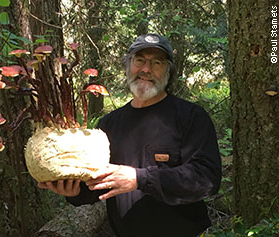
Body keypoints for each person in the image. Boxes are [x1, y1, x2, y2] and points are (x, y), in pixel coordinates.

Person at [38, 33, 222, 237]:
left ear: (168, 71)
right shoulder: (109, 124)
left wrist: (139, 178)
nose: (146, 69)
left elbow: (207, 180)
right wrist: (75, 192)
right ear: (128, 65)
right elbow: (99, 184)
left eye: (157, 62)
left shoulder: (190, 117)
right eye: (140, 60)